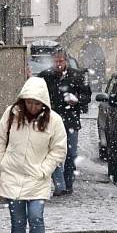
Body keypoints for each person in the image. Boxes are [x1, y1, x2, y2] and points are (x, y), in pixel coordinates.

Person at [0, 77, 67, 233]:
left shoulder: (54, 121)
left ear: (44, 103)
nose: (32, 106)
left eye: (36, 103)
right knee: (18, 223)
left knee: (36, 218)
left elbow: (58, 150)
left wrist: (44, 170)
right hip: (12, 176)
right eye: (29, 102)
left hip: (37, 179)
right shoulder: (11, 115)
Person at [36, 48, 91, 196]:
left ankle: (68, 183)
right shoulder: (45, 76)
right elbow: (37, 94)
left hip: (70, 121)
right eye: (56, 61)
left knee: (71, 154)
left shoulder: (76, 76)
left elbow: (87, 96)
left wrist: (77, 100)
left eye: (61, 61)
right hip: (51, 121)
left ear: (66, 61)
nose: (58, 64)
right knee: (53, 153)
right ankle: (60, 185)